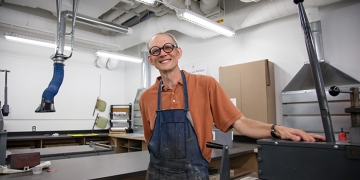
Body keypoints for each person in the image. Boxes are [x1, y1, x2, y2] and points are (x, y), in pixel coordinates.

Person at [139, 32, 326, 180]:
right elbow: (151, 140)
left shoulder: (206, 84)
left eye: (168, 47)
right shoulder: (146, 98)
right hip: (157, 174)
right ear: (150, 59)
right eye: (156, 50)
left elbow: (240, 122)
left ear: (178, 52)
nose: (163, 53)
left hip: (194, 174)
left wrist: (277, 129)